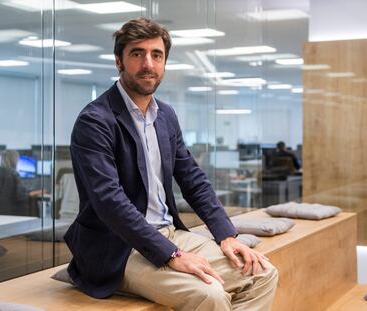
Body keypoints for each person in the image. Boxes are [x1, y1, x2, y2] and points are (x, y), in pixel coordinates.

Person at [65, 18, 278, 310]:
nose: (148, 64)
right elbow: (108, 201)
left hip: (168, 234)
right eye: (137, 54)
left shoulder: (165, 116)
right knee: (211, 293)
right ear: (119, 61)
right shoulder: (95, 120)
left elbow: (192, 178)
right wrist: (173, 255)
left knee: (263, 272)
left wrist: (226, 235)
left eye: (157, 55)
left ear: (164, 62)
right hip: (116, 247)